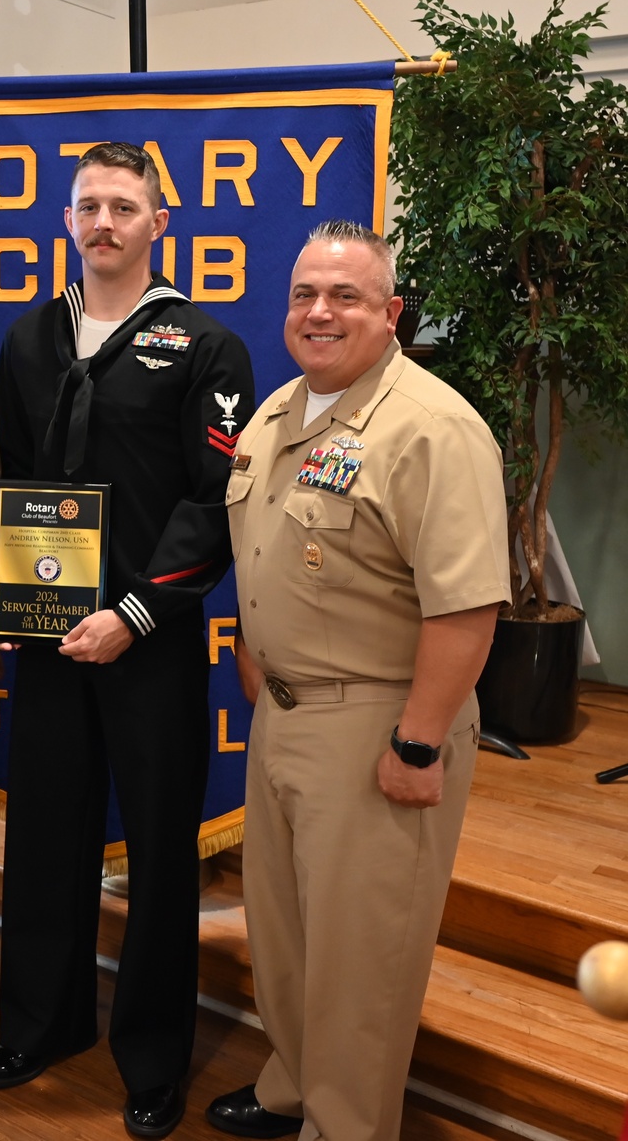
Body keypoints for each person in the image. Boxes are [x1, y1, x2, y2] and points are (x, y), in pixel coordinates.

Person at [0, 142, 255, 1138]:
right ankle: (41, 1024)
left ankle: (151, 1058)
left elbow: (213, 499)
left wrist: (133, 613)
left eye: (123, 206)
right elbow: (10, 471)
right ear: (67, 220)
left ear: (156, 223)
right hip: (48, 636)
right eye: (88, 205)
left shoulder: (207, 346)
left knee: (158, 857)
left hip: (149, 638)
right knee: (46, 835)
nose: (104, 222)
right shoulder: (30, 338)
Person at [206, 220, 510, 1141]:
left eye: (345, 295)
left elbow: (464, 610)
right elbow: (259, 546)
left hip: (380, 722)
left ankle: (344, 1127)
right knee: (289, 935)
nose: (319, 311)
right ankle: (292, 1086)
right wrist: (258, 656)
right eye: (304, 294)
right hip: (285, 717)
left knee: (361, 957)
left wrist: (418, 740)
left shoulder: (434, 429)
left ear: (391, 313)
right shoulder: (276, 412)